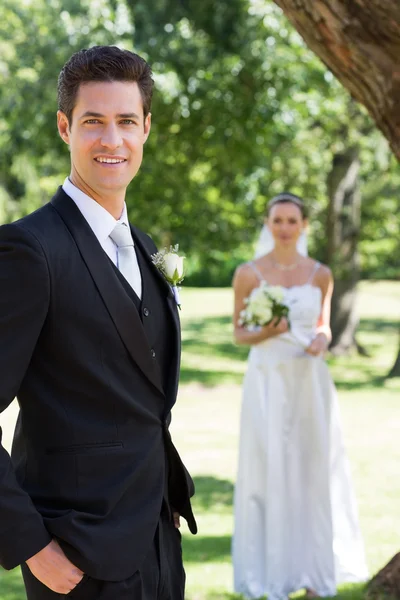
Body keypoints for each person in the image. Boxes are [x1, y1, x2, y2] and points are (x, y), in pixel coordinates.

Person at [0, 45, 196, 600]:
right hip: (75, 558)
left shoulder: (144, 247)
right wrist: (32, 547)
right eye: (93, 122)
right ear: (65, 127)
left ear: (146, 129)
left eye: (126, 122)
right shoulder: (29, 250)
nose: (112, 140)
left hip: (158, 541)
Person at [232, 193, 368, 599]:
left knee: (312, 471)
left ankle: (312, 572)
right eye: (278, 220)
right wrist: (270, 332)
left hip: (309, 381)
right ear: (268, 223)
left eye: (292, 221)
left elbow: (323, 325)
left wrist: (322, 340)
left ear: (304, 225)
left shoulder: (320, 274)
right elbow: (239, 334)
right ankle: (268, 574)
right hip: (267, 380)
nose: (285, 228)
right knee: (268, 468)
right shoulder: (249, 273)